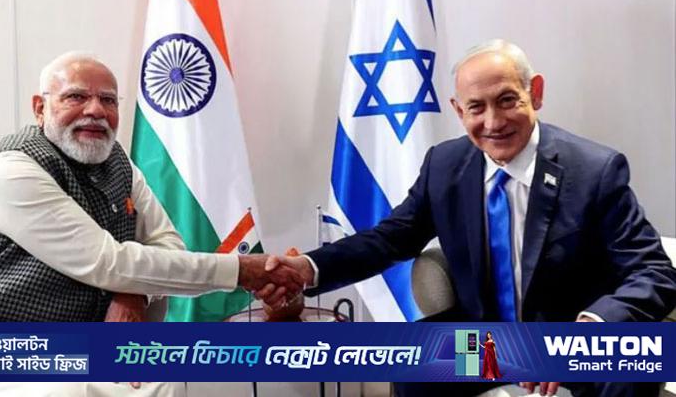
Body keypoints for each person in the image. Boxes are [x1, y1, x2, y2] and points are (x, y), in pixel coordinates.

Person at [263, 39, 676, 396]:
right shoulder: (445, 166)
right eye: (476, 107)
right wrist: (308, 268)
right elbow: (390, 239)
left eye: (507, 100)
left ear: (535, 93)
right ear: (458, 110)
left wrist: (588, 329)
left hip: (571, 339)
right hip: (488, 345)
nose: (493, 122)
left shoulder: (594, 170)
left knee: (630, 365)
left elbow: (654, 271)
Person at [0, 51, 301, 322]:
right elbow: (107, 262)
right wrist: (241, 270)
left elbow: (168, 244)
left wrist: (136, 293)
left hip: (91, 345)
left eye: (108, 100)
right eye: (76, 97)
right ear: (40, 108)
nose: (95, 110)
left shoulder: (117, 161)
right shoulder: (11, 171)